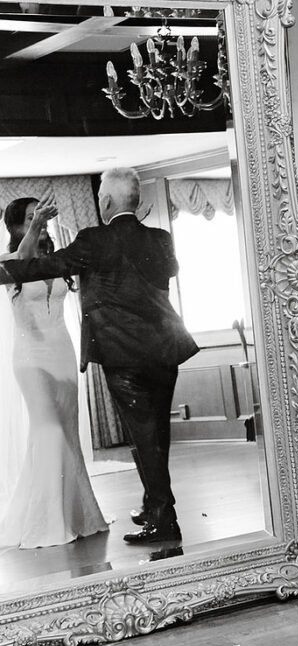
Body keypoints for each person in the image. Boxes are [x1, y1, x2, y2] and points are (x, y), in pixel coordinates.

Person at [0, 168, 199, 544]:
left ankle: (165, 518)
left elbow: (47, 266)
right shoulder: (160, 238)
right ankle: (153, 506)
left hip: (123, 354)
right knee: (157, 432)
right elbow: (167, 272)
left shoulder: (94, 240)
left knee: (143, 436)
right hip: (165, 349)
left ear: (105, 201)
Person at [0, 196, 108, 549]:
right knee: (48, 433)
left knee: (66, 434)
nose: (41, 222)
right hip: (31, 357)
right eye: (31, 218)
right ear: (15, 226)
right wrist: (35, 228)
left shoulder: (59, 260)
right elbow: (23, 262)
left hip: (61, 350)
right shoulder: (9, 262)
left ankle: (78, 516)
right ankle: (48, 522)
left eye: (42, 217)